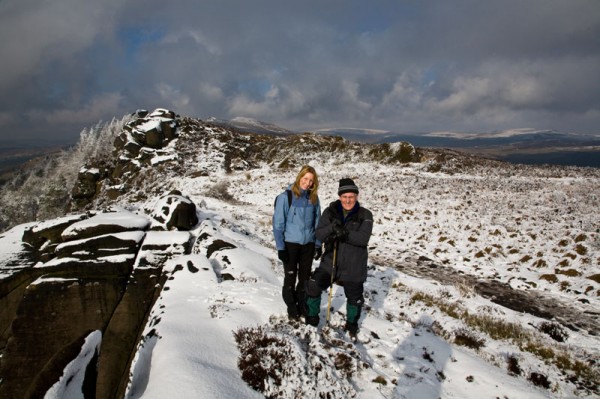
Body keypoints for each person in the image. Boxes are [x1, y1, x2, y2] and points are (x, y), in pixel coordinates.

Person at [305, 177, 373, 336]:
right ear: (339, 196)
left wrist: (345, 233)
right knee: (313, 285)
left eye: (351, 196)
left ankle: (351, 325)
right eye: (344, 197)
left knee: (354, 298)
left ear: (356, 196)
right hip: (331, 262)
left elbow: (363, 238)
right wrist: (331, 228)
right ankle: (312, 319)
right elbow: (319, 233)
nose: (348, 200)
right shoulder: (330, 212)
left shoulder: (365, 214)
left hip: (354, 265)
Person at [273, 165, 322, 320]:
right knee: (290, 279)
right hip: (290, 245)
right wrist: (281, 247)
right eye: (305, 178)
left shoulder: (313, 198)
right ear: (299, 177)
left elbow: (318, 223)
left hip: (307, 245)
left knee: (305, 279)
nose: (307, 183)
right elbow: (278, 225)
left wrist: (318, 244)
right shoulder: (285, 197)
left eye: (311, 181)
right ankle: (292, 308)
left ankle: (302, 305)